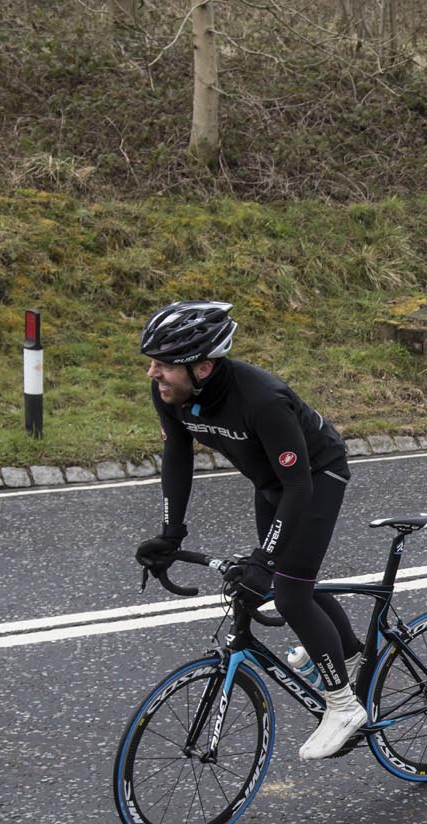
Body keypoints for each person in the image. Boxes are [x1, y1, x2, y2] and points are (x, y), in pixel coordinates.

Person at [132, 300, 369, 761]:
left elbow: (299, 486)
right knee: (290, 578)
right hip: (272, 484)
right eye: (152, 363)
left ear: (202, 367)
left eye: (163, 365)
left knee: (290, 590)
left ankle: (343, 707)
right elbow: (177, 456)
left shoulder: (262, 399)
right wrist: (171, 533)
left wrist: (265, 559)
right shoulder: (172, 393)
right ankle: (351, 658)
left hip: (314, 477)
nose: (152, 374)